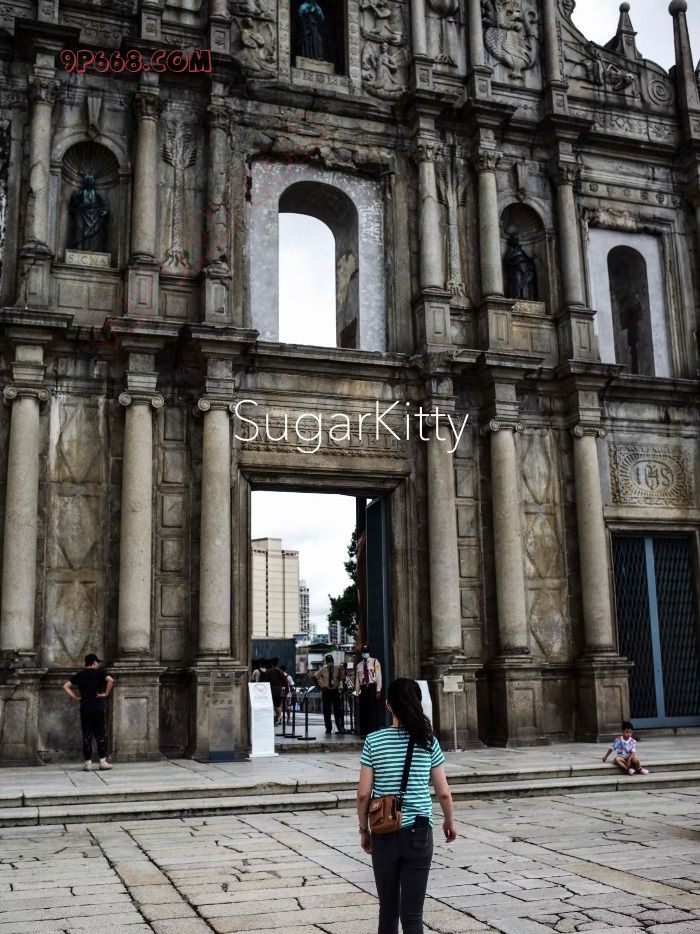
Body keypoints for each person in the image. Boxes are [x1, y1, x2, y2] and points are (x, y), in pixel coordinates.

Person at [356, 678, 457, 934]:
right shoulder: (428, 741)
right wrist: (449, 822)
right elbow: (444, 793)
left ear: (388, 705)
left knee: (388, 910)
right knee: (413, 916)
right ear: (417, 703)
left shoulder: (374, 741)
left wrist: (364, 830)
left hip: (384, 828)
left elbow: (363, 794)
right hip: (419, 830)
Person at [62, 654, 114, 771]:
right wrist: (105, 694)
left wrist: (75, 697)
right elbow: (111, 680)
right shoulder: (99, 673)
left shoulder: (80, 675)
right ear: (94, 662)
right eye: (97, 662)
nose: (98, 664)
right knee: (100, 734)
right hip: (97, 707)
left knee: (87, 735)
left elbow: (65, 686)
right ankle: (102, 761)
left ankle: (88, 763)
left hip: (85, 708)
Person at [314, 653, 345, 735]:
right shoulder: (322, 669)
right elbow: (315, 677)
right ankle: (328, 728)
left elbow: (342, 678)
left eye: (332, 661)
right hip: (326, 691)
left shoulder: (337, 669)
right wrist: (319, 687)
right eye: (329, 661)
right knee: (326, 711)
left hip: (335, 691)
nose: (331, 663)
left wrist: (343, 670)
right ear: (326, 662)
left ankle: (340, 727)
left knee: (338, 710)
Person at [355, 644, 382, 737]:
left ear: (369, 653)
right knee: (364, 711)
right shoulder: (359, 665)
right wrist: (357, 693)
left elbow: (379, 676)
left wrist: (378, 690)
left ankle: (374, 732)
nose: (364, 654)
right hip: (363, 689)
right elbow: (357, 681)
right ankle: (364, 732)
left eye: (366, 652)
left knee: (372, 710)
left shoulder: (375, 662)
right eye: (363, 652)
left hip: (372, 687)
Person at [262, 657, 287, 725]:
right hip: (279, 691)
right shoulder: (281, 672)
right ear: (278, 664)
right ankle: (277, 718)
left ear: (271, 664)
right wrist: (285, 691)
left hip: (271, 691)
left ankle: (275, 718)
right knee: (278, 706)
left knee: (272, 706)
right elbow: (285, 682)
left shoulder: (268, 671)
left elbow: (265, 681)